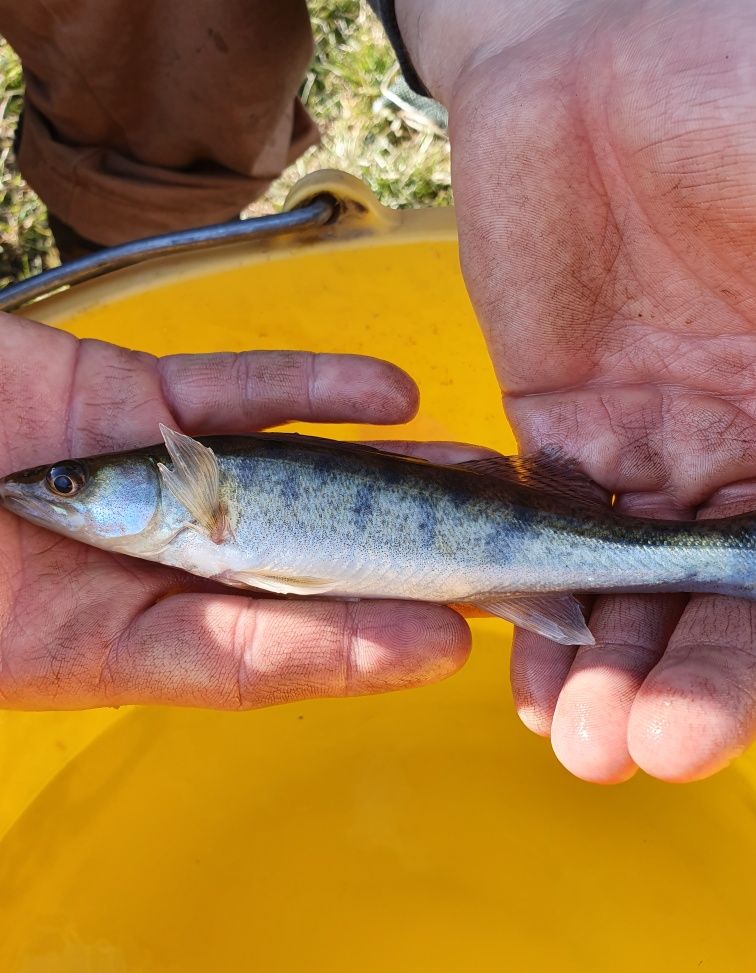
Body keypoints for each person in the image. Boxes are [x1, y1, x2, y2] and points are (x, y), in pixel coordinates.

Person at [1, 0, 755, 786]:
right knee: (144, 100)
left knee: (174, 96)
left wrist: (533, 23)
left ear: (176, 479)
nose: (51, 492)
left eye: (68, 483)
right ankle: (125, 223)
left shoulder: (205, 506)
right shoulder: (196, 519)